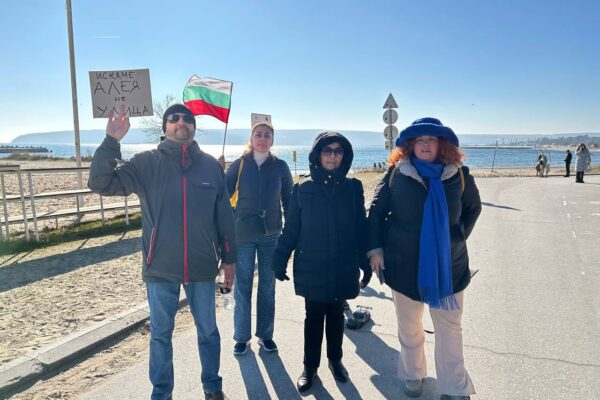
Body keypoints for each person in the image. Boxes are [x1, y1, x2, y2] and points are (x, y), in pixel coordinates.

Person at [88, 104, 236, 400]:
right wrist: (111, 141)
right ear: (165, 127)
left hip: (202, 266)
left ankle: (212, 386)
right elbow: (100, 183)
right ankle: (162, 393)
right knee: (160, 335)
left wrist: (229, 259)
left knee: (208, 332)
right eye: (175, 118)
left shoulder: (211, 166)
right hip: (160, 267)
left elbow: (224, 216)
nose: (182, 123)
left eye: (188, 119)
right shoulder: (145, 163)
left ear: (194, 127)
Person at [367, 118, 482, 400]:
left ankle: (454, 387)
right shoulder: (397, 173)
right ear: (410, 145)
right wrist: (375, 250)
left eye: (431, 139)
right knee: (409, 326)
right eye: (420, 140)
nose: (426, 144)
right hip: (404, 263)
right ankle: (412, 374)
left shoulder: (459, 175)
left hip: (448, 266)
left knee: (450, 329)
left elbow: (472, 209)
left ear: (442, 144)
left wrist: (453, 238)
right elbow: (376, 213)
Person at [271, 132, 372, 392]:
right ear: (318, 155)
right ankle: (310, 367)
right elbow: (291, 229)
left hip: (343, 263)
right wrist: (279, 259)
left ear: (344, 156)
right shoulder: (302, 189)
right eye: (327, 150)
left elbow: (361, 227)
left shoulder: (353, 188)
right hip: (312, 264)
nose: (332, 156)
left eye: (338, 151)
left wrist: (365, 261)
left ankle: (335, 361)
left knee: (336, 314)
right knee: (313, 316)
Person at [225, 121, 293, 355]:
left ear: (272, 140)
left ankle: (265, 335)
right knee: (242, 287)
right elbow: (223, 197)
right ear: (251, 138)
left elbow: (289, 200)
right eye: (258, 135)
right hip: (243, 235)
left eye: (267, 135)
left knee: (268, 286)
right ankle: (241, 337)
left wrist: (291, 232)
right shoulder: (239, 164)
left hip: (271, 235)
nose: (262, 139)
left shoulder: (281, 167)